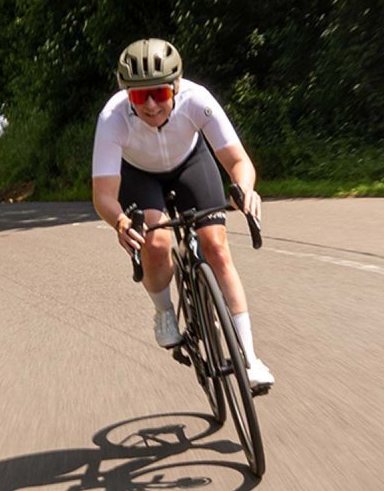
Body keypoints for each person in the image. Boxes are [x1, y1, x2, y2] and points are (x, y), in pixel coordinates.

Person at [89, 38, 275, 393]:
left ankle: (250, 358)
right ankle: (164, 312)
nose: (151, 105)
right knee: (156, 242)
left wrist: (245, 189)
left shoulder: (197, 100)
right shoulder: (112, 119)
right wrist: (120, 221)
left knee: (216, 248)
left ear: (175, 85)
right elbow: (103, 195)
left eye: (158, 93)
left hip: (190, 162)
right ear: (127, 95)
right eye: (139, 96)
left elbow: (238, 162)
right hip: (139, 175)